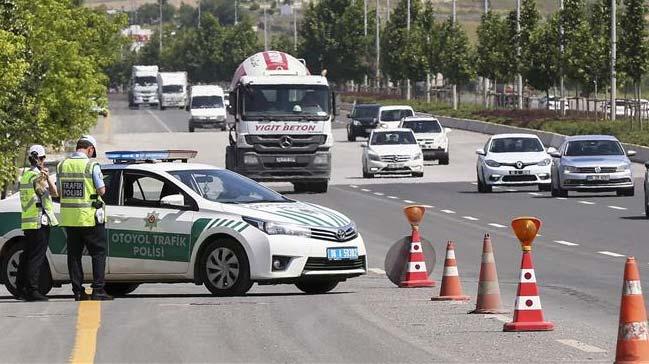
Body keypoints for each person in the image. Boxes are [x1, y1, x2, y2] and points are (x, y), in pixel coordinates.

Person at [57, 135, 112, 301]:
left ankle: (78, 291)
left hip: (70, 219)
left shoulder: (62, 165)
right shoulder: (91, 165)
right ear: (90, 149)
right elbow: (101, 191)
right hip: (89, 218)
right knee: (98, 253)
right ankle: (98, 290)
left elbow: (60, 192)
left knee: (74, 255)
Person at [16, 145, 58, 301]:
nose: (44, 161)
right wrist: (45, 178)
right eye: (43, 158)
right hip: (38, 221)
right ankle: (33, 290)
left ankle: (20, 289)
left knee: (27, 256)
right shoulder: (36, 176)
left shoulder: (26, 175)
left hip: (29, 222)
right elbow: (51, 193)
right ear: (39, 159)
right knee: (36, 257)